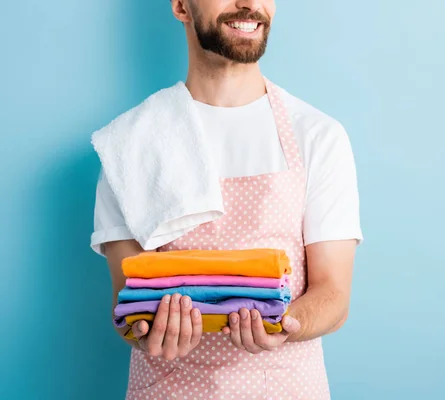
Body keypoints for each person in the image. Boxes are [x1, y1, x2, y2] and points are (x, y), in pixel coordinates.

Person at [90, 0, 363, 399]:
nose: (250, 4)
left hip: (285, 387)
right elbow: (126, 305)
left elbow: (333, 295)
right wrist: (147, 330)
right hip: (168, 389)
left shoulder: (318, 136)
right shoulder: (129, 146)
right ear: (182, 6)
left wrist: (283, 323)